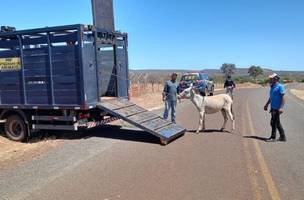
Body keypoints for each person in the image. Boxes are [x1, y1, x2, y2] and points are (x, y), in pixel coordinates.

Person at [264, 73, 286, 142]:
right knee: (277, 123)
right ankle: (282, 137)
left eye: (271, 78)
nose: (270, 80)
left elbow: (283, 97)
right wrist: (267, 104)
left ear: (276, 79)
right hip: (273, 108)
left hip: (277, 108)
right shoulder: (272, 87)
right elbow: (271, 97)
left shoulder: (280, 86)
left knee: (273, 122)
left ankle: (273, 138)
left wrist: (281, 107)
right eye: (270, 78)